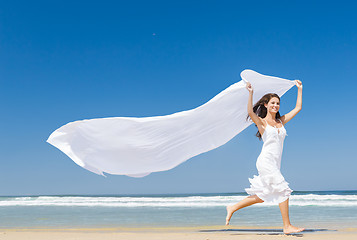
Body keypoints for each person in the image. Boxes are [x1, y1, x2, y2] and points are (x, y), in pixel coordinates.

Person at [225, 80, 305, 234]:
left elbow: (298, 108)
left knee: (265, 194)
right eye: (273, 103)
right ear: (266, 105)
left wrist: (299, 89)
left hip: (275, 163)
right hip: (266, 161)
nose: (276, 105)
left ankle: (233, 207)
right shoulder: (262, 123)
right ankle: (287, 226)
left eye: (278, 103)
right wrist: (250, 93)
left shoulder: (280, 121)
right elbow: (250, 112)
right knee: (283, 189)